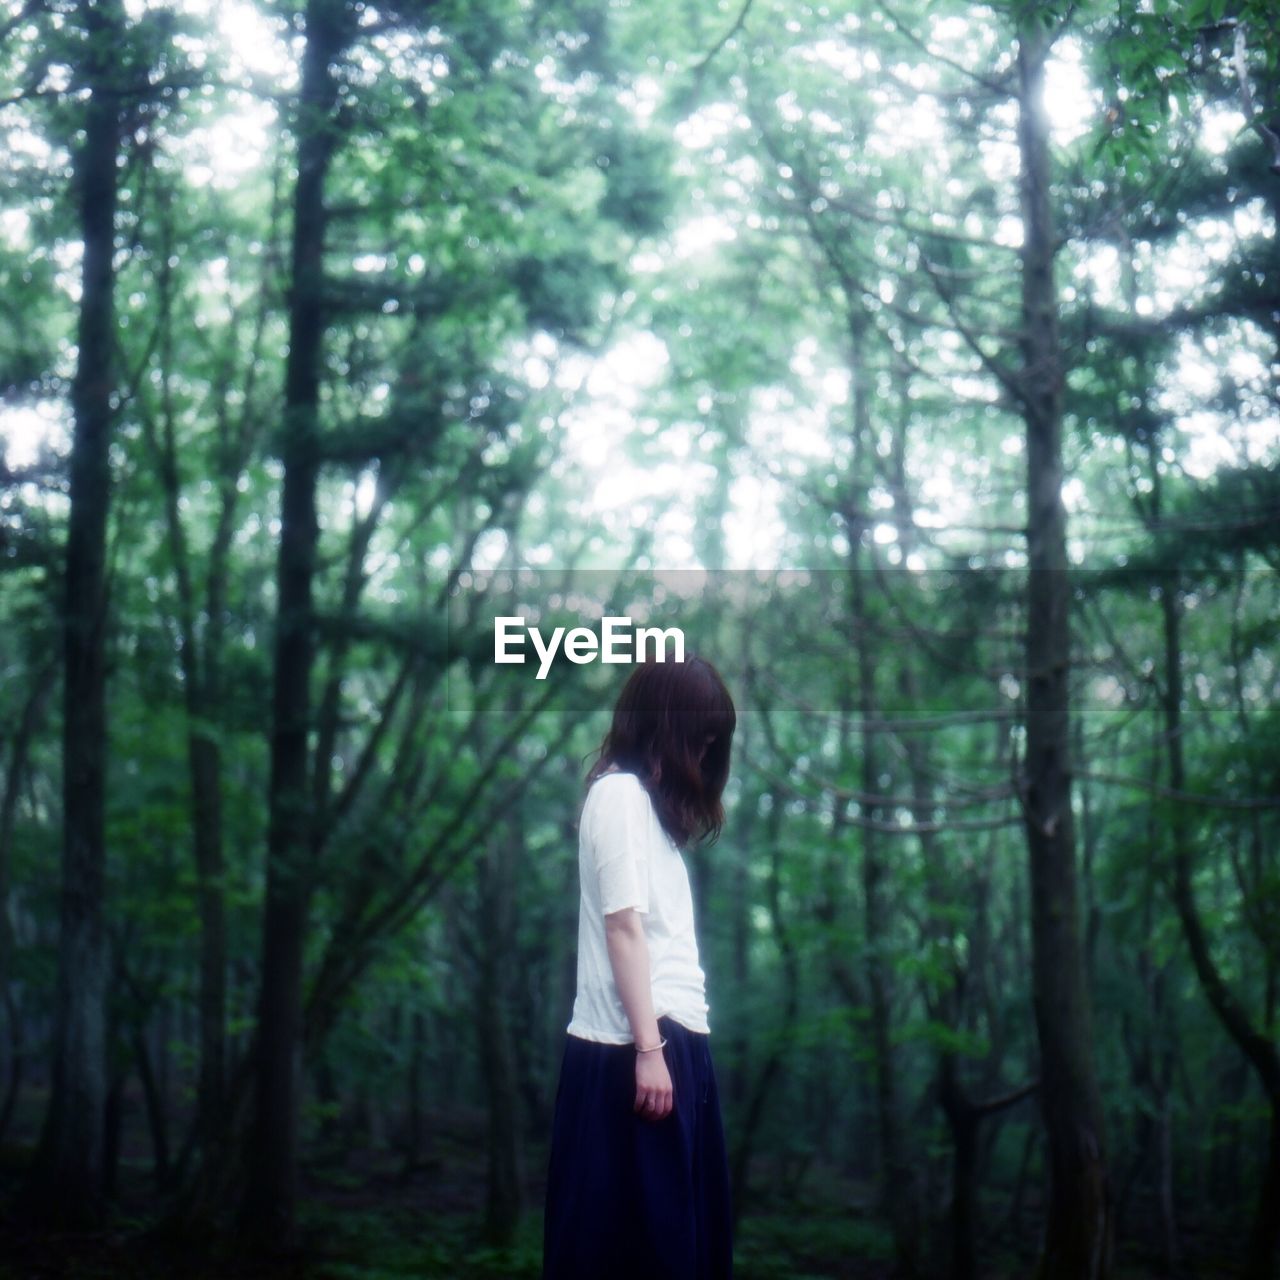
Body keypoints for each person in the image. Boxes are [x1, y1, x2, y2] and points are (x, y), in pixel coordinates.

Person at [542, 656, 737, 1280]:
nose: (706, 753)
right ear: (662, 725)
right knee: (630, 1246)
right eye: (699, 736)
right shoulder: (619, 795)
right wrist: (649, 1049)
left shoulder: (647, 810)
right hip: (637, 1043)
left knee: (678, 1242)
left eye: (714, 741)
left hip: (673, 1040)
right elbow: (623, 927)